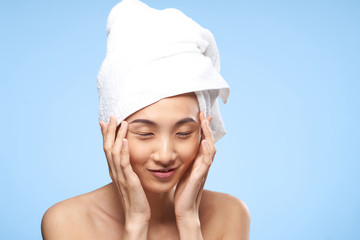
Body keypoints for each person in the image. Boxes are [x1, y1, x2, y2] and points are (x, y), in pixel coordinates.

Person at [41, 0, 250, 239]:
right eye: (145, 133)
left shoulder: (230, 214)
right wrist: (136, 224)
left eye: (183, 133)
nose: (165, 155)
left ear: (204, 133)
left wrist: (189, 221)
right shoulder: (67, 222)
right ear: (111, 134)